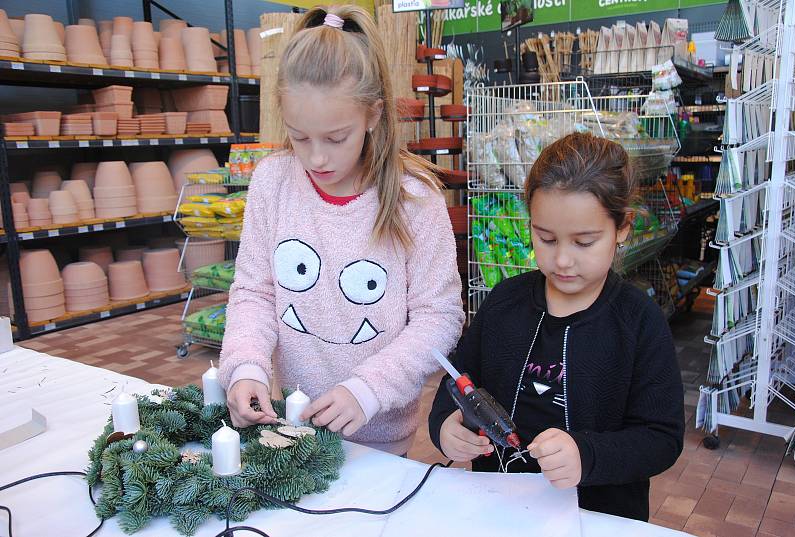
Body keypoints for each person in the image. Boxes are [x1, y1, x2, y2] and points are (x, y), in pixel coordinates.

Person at [218, 5, 465, 456]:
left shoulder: (415, 200)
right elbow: (254, 292)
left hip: (382, 441)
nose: (316, 158)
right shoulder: (273, 182)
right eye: (299, 136)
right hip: (292, 428)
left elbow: (440, 317)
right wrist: (246, 366)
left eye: (335, 138)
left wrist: (368, 389)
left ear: (373, 115)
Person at [428, 132, 684, 520]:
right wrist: (445, 427)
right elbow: (458, 382)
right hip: (497, 506)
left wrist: (587, 455)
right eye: (546, 238)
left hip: (597, 518)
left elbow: (661, 437)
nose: (562, 260)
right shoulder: (504, 303)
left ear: (623, 228)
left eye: (584, 242)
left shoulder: (637, 322)